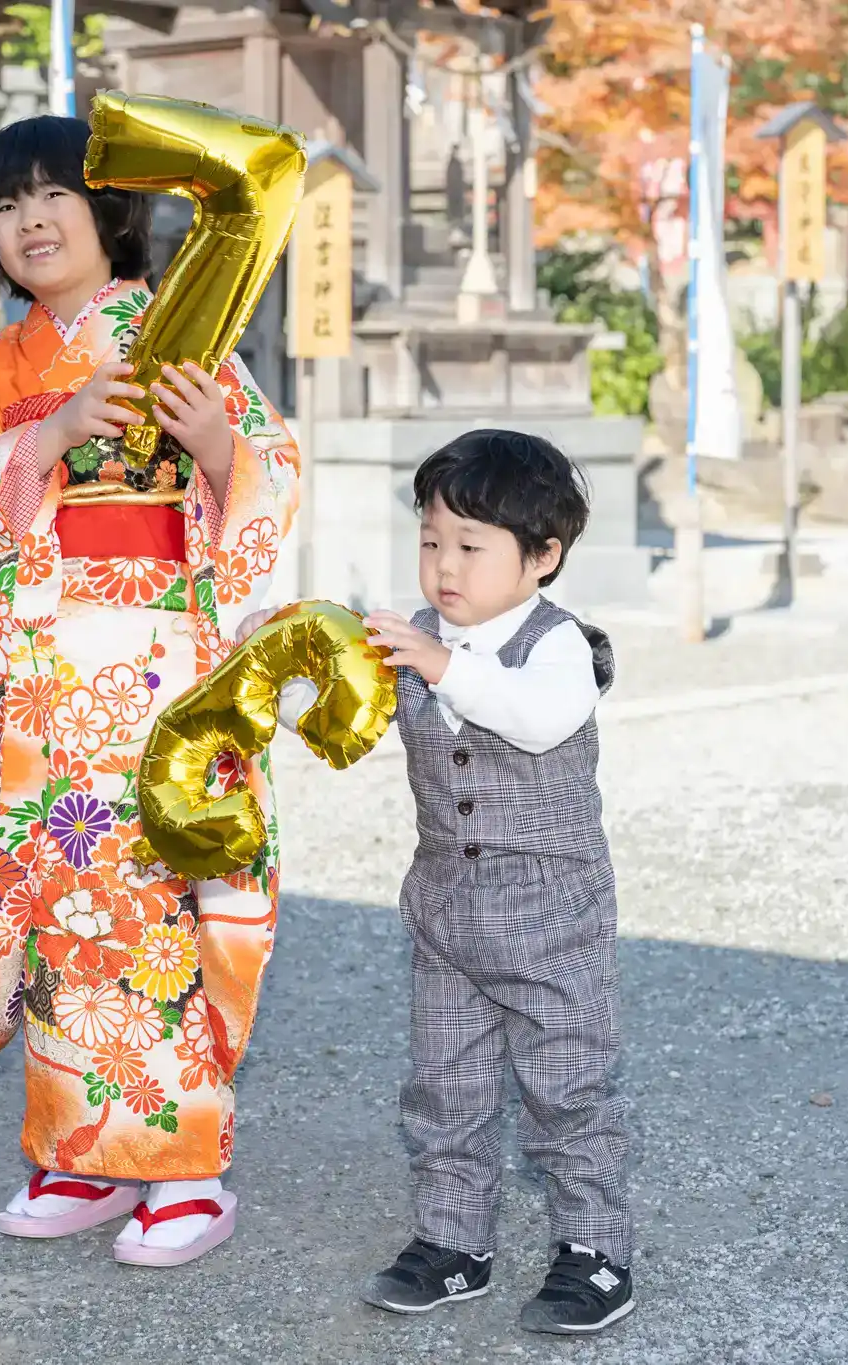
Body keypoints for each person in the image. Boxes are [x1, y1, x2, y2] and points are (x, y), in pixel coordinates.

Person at [0, 114, 300, 1268]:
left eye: (54, 195)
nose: (30, 220)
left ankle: (185, 1172)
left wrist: (217, 446)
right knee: (55, 909)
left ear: (108, 213)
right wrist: (51, 434)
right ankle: (77, 1152)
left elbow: (271, 478)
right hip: (39, 678)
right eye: (6, 204)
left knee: (148, 909)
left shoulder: (181, 330)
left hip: (150, 667)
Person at [245, 429, 633, 1334]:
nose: (444, 565)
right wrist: (267, 668)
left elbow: (537, 720)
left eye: (470, 545)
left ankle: (595, 1251)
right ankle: (453, 1241)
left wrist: (441, 664)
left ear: (543, 556)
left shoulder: (559, 646)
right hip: (445, 910)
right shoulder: (420, 637)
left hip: (552, 914)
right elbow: (340, 719)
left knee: (567, 1086)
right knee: (444, 1085)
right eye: (430, 541)